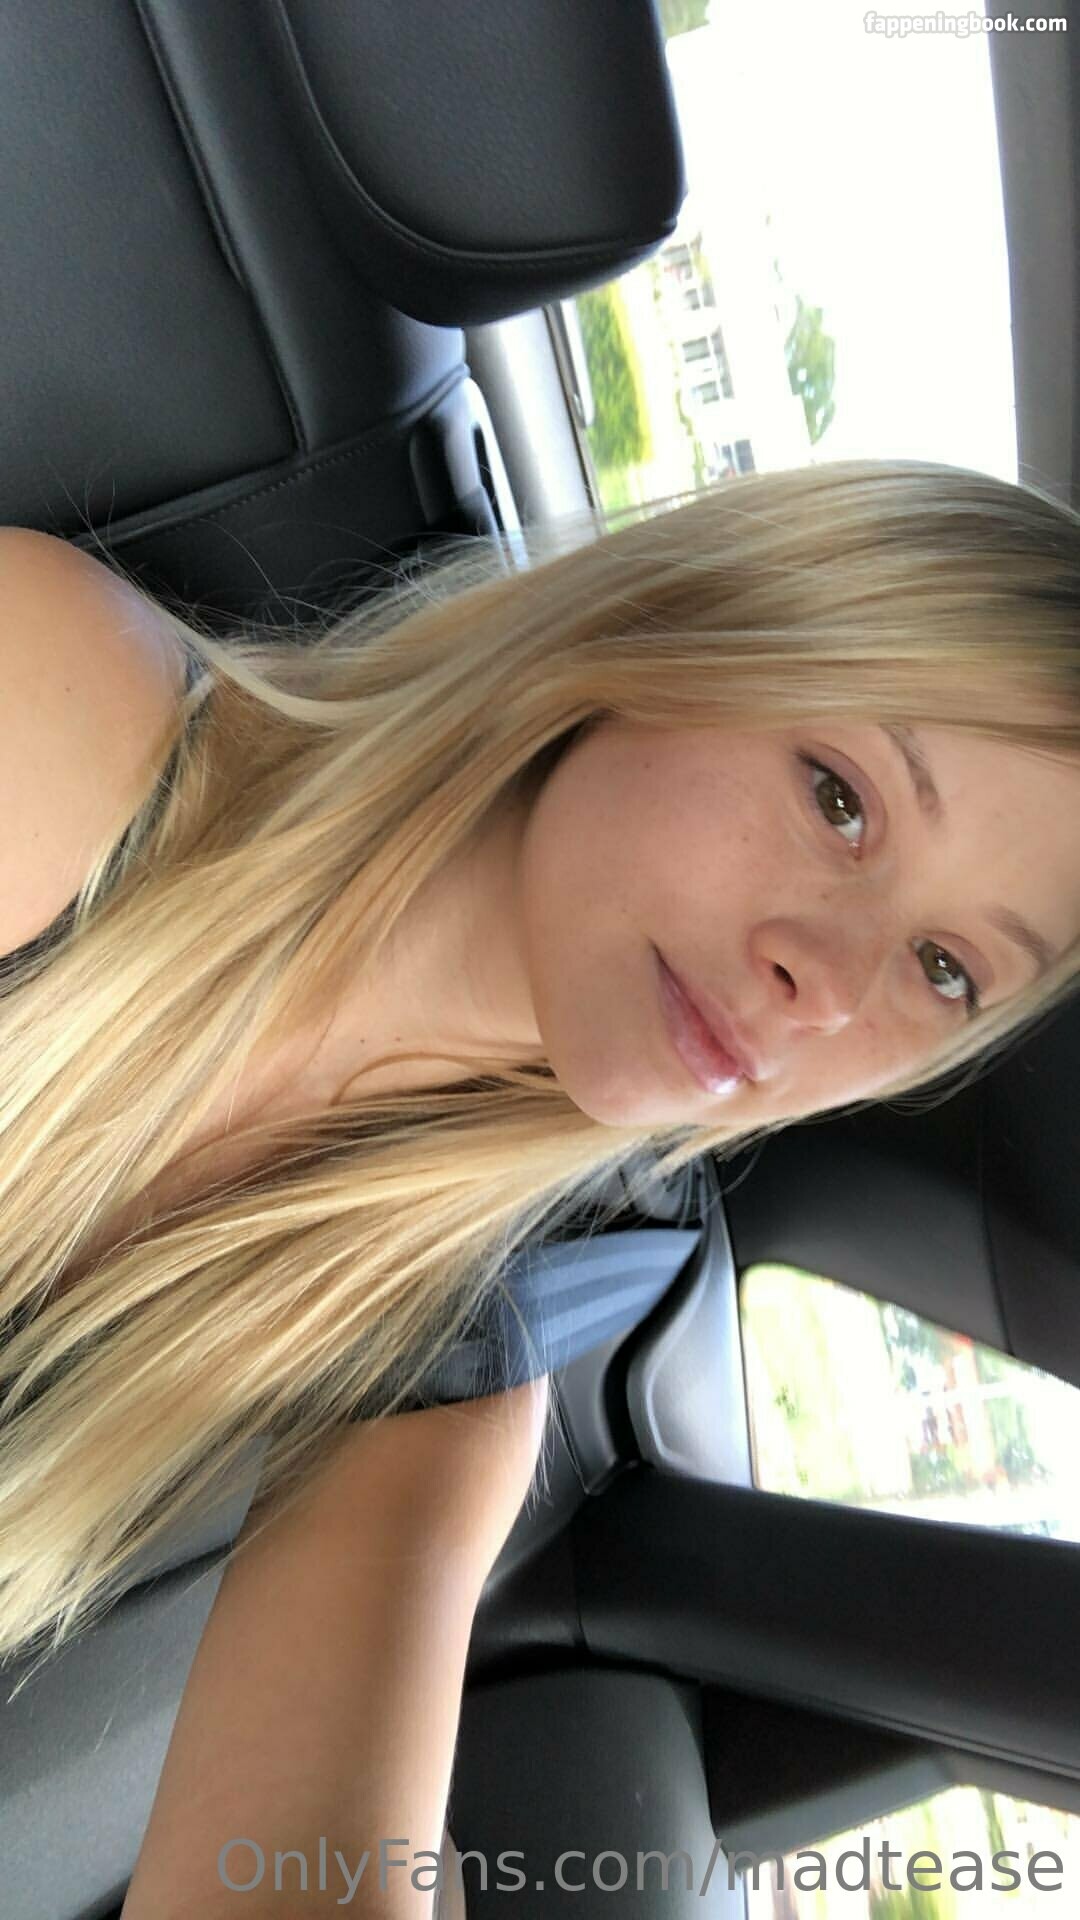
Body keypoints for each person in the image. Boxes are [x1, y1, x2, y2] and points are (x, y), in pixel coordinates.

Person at [1, 459, 1079, 1896]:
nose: (825, 986)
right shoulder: (58, 710)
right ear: (676, 621)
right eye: (841, 798)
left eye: (945, 970)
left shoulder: (452, 1383)